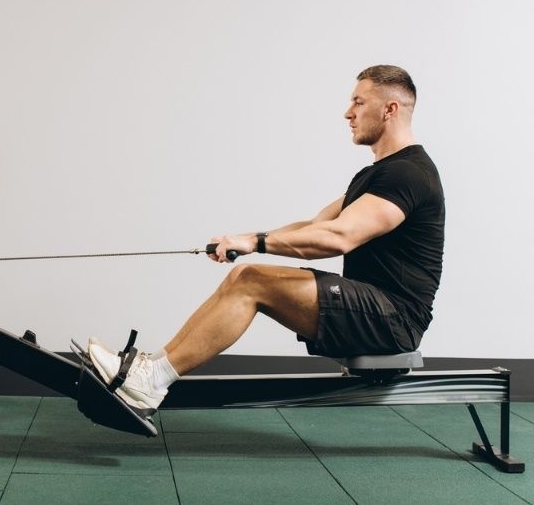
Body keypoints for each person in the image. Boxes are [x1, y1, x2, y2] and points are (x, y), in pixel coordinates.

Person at [89, 65, 445, 415]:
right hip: (372, 308)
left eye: (358, 102)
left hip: (394, 319)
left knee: (251, 281)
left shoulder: (408, 174)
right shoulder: (377, 174)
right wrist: (240, 239)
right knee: (244, 278)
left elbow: (339, 237)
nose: (347, 112)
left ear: (390, 109)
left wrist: (254, 243)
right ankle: (150, 370)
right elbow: (315, 224)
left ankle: (152, 381)